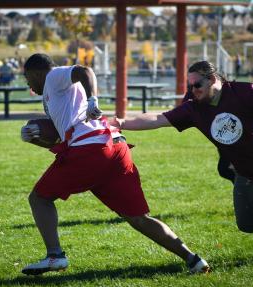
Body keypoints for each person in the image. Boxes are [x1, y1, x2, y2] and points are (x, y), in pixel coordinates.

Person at [20, 53, 209, 275]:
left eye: (27, 78)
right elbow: (63, 139)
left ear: (36, 72)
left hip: (91, 151)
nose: (28, 83)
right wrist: (35, 137)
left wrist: (93, 99)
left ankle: (54, 256)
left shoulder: (53, 76)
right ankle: (193, 259)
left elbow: (84, 71)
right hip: (115, 147)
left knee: (39, 198)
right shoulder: (57, 96)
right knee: (138, 218)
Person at [113, 60, 253, 234]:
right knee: (246, 224)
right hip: (244, 173)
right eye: (190, 87)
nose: (193, 91)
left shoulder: (245, 92)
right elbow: (159, 119)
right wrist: (123, 122)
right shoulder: (193, 107)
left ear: (211, 79)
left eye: (197, 85)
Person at [182, 86, 235, 184]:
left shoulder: (235, 95)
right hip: (226, 142)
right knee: (225, 169)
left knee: (228, 169)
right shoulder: (194, 95)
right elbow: (184, 109)